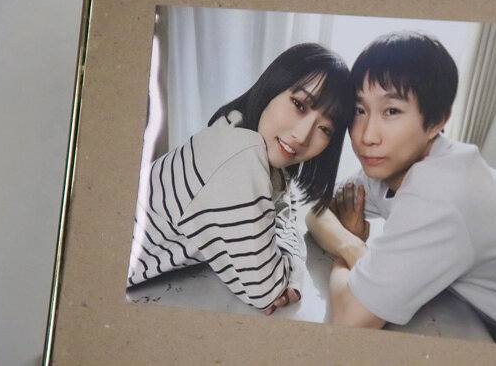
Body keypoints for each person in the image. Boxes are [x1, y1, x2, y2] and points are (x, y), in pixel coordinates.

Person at [306, 31, 496, 345]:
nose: (367, 136)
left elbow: (350, 319)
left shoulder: (440, 192)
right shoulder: (387, 165)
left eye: (392, 111)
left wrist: (353, 247)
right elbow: (317, 209)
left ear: (437, 121)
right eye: (360, 110)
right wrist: (350, 244)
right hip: (478, 310)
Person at [127, 43, 355, 315]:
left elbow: (283, 209)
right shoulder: (240, 155)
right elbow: (266, 291)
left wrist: (284, 255)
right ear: (273, 86)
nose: (303, 135)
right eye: (299, 105)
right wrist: (294, 262)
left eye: (325, 129)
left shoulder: (242, 129)